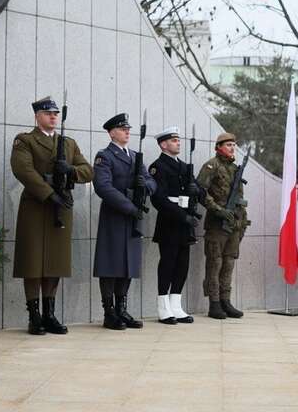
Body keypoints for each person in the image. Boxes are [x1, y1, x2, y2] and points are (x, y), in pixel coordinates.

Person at [11, 97, 93, 336]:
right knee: (33, 262)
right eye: (48, 113)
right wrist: (48, 194)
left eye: (56, 113)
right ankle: (34, 316)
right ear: (37, 116)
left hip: (62, 206)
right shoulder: (25, 140)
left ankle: (49, 313)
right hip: (36, 206)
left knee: (55, 262)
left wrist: (71, 171)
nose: (53, 116)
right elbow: (23, 169)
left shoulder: (68, 144)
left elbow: (88, 170)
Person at [92, 113, 157, 330]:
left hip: (132, 218)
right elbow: (103, 186)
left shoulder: (135, 156)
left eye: (128, 129)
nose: (127, 132)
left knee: (128, 263)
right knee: (110, 264)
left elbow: (151, 181)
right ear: (111, 133)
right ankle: (109, 312)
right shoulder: (105, 156)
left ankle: (122, 309)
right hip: (115, 215)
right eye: (122, 129)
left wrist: (145, 185)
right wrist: (129, 207)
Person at [149, 127, 204, 324]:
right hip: (170, 222)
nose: (178, 143)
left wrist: (195, 189)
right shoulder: (158, 167)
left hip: (185, 223)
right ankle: (163, 308)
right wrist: (183, 216)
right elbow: (159, 199)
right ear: (163, 144)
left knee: (182, 265)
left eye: (179, 140)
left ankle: (176, 305)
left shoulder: (184, 166)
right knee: (168, 264)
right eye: (173, 140)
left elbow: (200, 192)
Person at [198, 132, 250, 320]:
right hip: (217, 224)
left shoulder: (235, 169)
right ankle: (214, 303)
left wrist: (242, 221)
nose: (232, 148)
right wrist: (218, 210)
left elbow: (238, 198)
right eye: (228, 145)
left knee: (228, 263)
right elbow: (200, 191)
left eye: (234, 145)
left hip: (234, 223)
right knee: (215, 263)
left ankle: (226, 301)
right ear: (218, 147)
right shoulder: (211, 165)